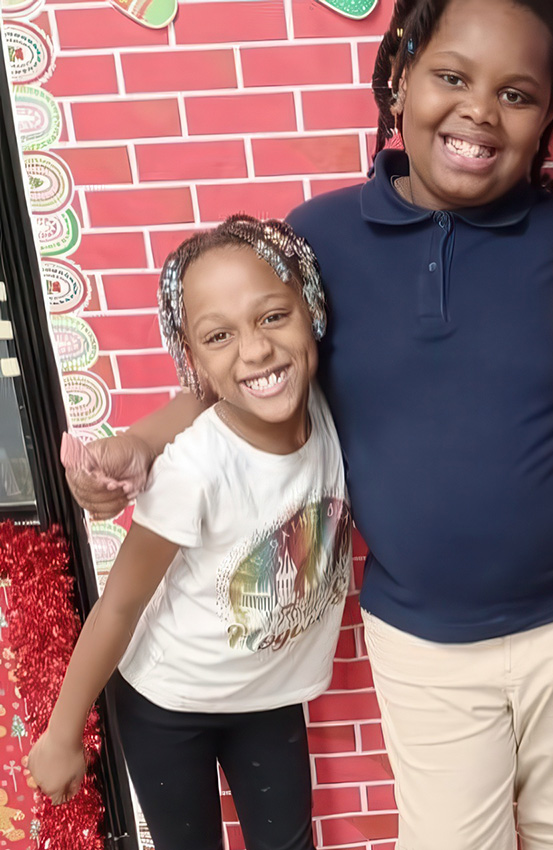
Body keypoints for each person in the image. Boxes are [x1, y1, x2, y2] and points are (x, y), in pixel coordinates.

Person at [66, 2, 553, 848]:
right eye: (452, 77)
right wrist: (143, 444)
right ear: (401, 76)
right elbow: (248, 375)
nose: (479, 109)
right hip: (422, 633)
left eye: (517, 94)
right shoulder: (320, 238)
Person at [27, 216, 353, 850]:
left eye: (272, 317)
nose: (255, 350)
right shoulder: (196, 468)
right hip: (169, 705)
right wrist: (64, 731)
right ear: (193, 358)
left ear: (310, 310)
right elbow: (119, 606)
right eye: (219, 335)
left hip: (267, 699)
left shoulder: (323, 405)